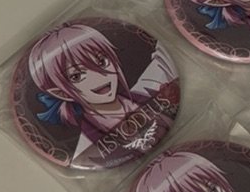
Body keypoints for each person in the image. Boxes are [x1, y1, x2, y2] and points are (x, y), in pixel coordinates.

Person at [28, 19, 176, 167]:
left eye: (101, 61)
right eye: (77, 76)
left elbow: (161, 57)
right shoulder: (85, 151)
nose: (100, 76)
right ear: (61, 93)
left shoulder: (150, 87)